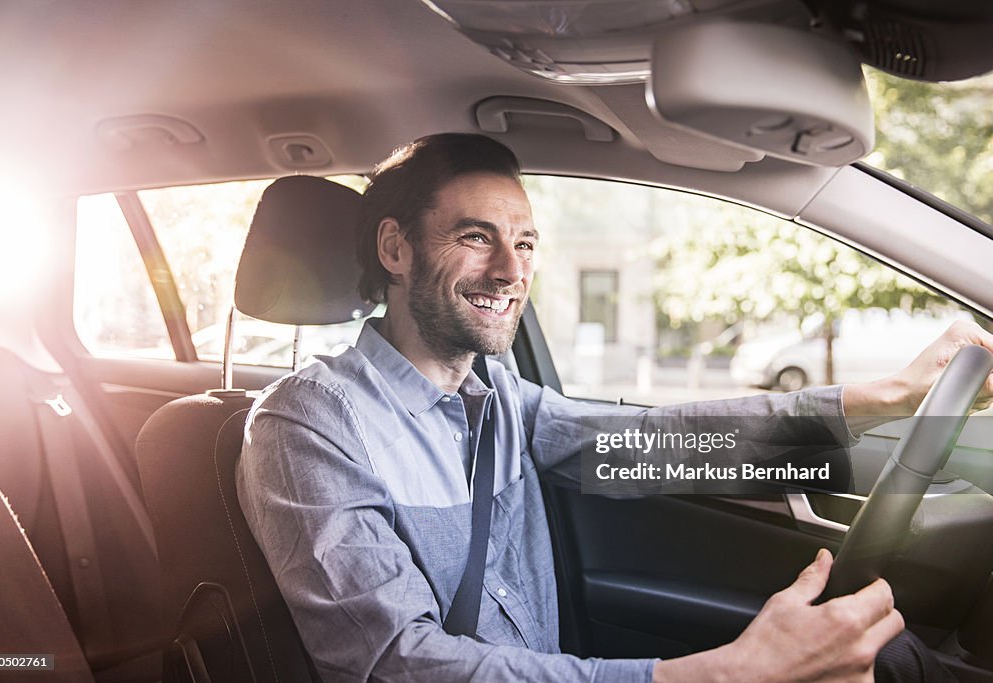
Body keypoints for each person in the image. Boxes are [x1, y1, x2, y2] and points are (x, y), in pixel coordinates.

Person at [237, 133, 993, 682]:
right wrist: (725, 673)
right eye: (477, 237)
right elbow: (398, 665)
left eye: (526, 243)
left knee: (888, 659)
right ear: (396, 250)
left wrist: (889, 396)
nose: (511, 269)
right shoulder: (307, 425)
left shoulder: (496, 395)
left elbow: (650, 444)